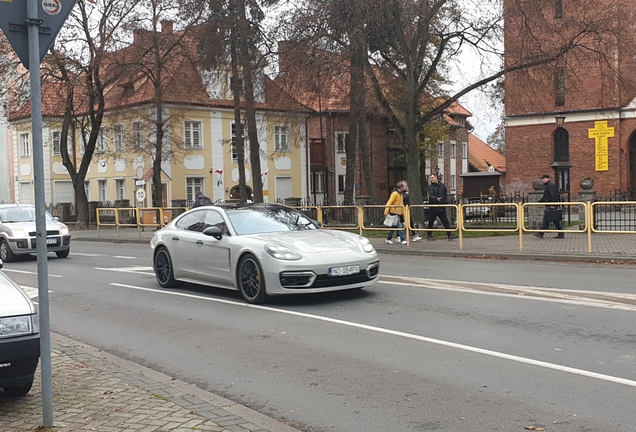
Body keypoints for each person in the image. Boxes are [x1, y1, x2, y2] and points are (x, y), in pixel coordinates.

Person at [426, 174, 457, 241]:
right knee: (431, 222)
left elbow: (445, 194)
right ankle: (429, 235)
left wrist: (444, 201)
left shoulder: (442, 186)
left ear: (436, 178)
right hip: (433, 207)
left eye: (432, 178)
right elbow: (431, 196)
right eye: (430, 178)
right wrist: (436, 199)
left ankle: (449, 234)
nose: (431, 179)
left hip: (441, 207)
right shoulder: (430, 187)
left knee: (445, 221)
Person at [534, 174, 564, 239]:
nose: (542, 181)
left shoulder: (550, 186)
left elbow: (553, 195)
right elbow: (545, 197)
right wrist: (539, 202)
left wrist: (553, 204)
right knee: (555, 220)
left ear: (547, 179)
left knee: (546, 219)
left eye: (543, 179)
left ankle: (541, 233)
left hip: (551, 205)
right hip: (550, 204)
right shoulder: (549, 185)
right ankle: (561, 234)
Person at [384, 181, 408, 245]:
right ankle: (403, 239)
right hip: (394, 212)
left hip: (398, 213)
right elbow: (389, 202)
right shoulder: (395, 193)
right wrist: (386, 211)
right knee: (399, 226)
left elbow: (401, 204)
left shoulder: (400, 194)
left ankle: (388, 238)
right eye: (404, 186)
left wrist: (403, 214)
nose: (405, 188)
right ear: (401, 187)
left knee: (394, 227)